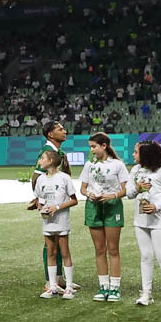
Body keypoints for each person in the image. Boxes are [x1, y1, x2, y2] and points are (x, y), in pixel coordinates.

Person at [128, 140, 161, 307]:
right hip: (140, 219)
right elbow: (129, 194)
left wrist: (157, 206)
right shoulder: (135, 170)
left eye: (136, 152)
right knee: (145, 256)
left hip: (160, 220)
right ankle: (146, 294)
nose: (133, 155)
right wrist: (137, 187)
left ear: (146, 155)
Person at [79, 132, 129, 302]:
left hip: (112, 207)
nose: (92, 150)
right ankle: (103, 286)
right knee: (99, 249)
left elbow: (126, 189)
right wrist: (89, 194)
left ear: (104, 146)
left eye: (94, 146)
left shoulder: (117, 165)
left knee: (113, 249)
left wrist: (113, 196)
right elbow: (83, 188)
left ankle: (115, 288)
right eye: (90, 147)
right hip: (93, 207)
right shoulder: (89, 165)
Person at [28, 121, 70, 291]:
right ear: (51, 134)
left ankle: (59, 279)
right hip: (51, 203)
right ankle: (49, 282)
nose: (65, 131)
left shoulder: (58, 151)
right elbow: (36, 176)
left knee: (59, 239)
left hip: (60, 202)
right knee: (51, 241)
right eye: (60, 129)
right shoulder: (47, 151)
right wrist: (39, 199)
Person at [34, 150, 77, 299]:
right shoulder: (40, 179)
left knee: (64, 252)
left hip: (61, 220)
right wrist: (41, 207)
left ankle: (69, 287)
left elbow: (74, 200)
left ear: (51, 161)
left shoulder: (64, 178)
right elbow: (40, 199)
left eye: (42, 158)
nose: (40, 161)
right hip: (48, 221)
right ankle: (52, 287)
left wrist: (57, 208)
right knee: (51, 252)